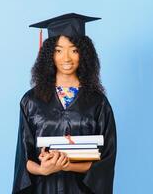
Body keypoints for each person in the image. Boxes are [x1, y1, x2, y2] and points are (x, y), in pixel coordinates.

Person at [12, 13, 117, 194]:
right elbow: (24, 158)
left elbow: (106, 158)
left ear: (83, 54)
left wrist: (67, 165)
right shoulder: (31, 101)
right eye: (58, 50)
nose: (66, 58)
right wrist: (42, 169)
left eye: (74, 50)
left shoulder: (98, 102)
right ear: (49, 55)